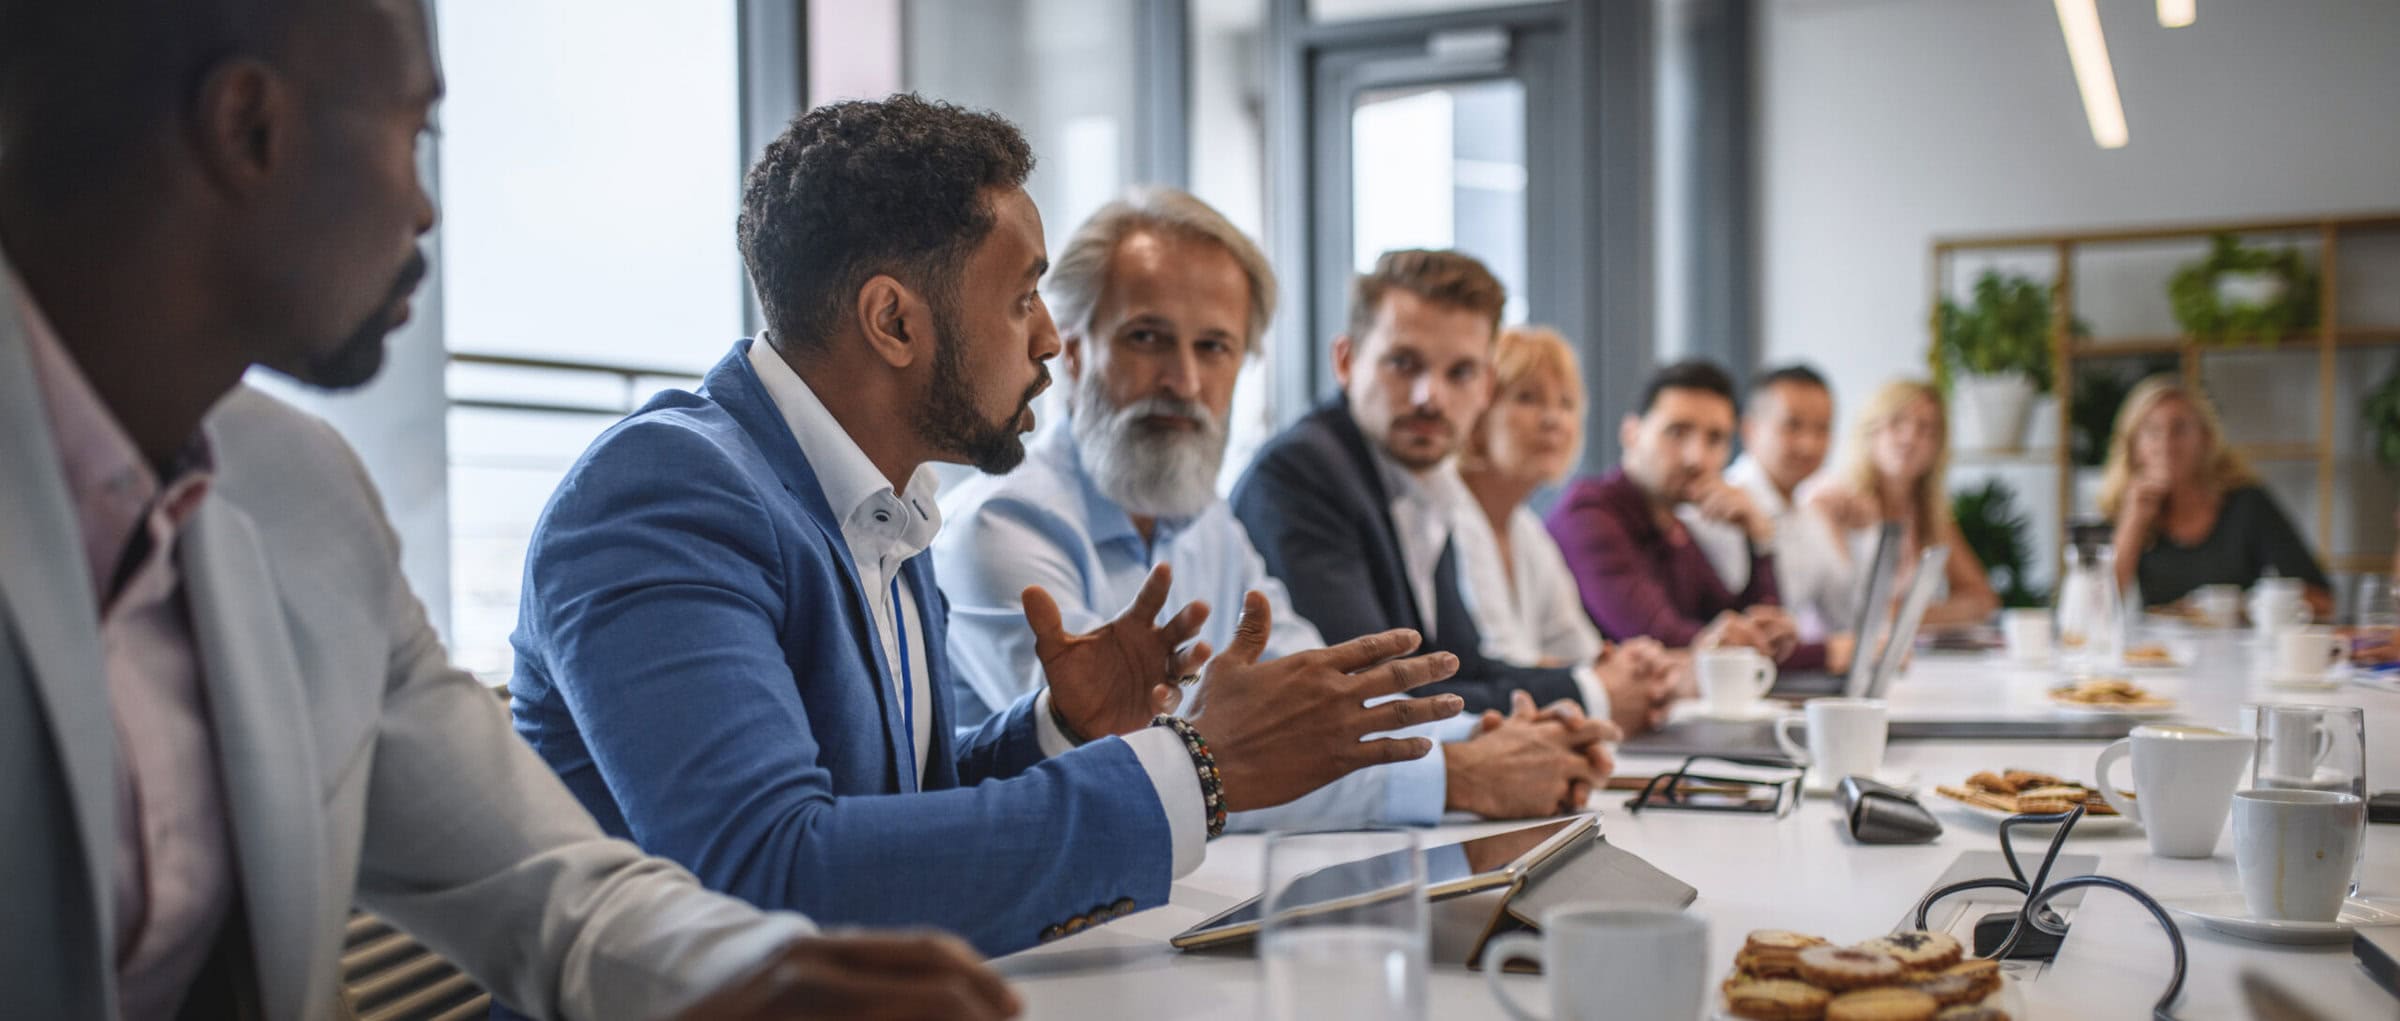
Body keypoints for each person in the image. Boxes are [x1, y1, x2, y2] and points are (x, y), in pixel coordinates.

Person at [0, 3, 1019, 1019]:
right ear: (248, 128)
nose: (426, 210)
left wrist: (740, 975)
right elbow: (763, 852)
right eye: (415, 134)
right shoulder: (675, 485)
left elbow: (551, 890)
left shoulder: (302, 493)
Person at [508, 97, 1466, 961]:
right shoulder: (665, 494)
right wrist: (1196, 768)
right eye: (1021, 299)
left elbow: (888, 809)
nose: (1051, 338)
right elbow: (770, 874)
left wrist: (1057, 729)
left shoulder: (884, 500)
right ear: (893, 320)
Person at [939, 190, 1612, 828]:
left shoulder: (1206, 520)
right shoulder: (1003, 525)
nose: (1185, 381)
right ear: (1077, 351)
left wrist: (1504, 736)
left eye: (1214, 346)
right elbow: (1127, 769)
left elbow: (1317, 698)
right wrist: (1456, 773)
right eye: (1147, 338)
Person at [1230, 250, 1681, 735]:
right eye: (1404, 364)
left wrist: (1594, 678)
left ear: (1486, 385)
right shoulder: (1302, 474)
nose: (1431, 396)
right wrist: (1593, 694)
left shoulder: (1427, 480)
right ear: (1346, 361)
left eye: (1460, 373)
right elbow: (1379, 696)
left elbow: (1458, 666)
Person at [1545, 360, 1811, 666]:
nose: (1696, 458)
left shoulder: (1675, 529)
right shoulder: (1588, 515)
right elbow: (1662, 637)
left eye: (1715, 439)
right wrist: (1827, 652)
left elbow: (1744, 631)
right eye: (1677, 432)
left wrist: (1758, 540)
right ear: (1631, 433)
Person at [2098, 376, 2332, 616]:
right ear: (2133, 446)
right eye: (2151, 430)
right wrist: (2132, 525)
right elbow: (2094, 612)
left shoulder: (2247, 504)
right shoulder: (2124, 510)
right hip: (2161, 652)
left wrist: (2240, 606)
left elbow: (2322, 599)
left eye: (2180, 428)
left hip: (2238, 650)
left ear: (2206, 439)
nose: (2166, 443)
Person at [1450, 326, 1610, 669]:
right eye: (1527, 398)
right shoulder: (1447, 515)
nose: (1553, 420)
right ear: (1477, 415)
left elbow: (1578, 646)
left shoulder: (1526, 530)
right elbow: (1498, 664)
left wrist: (1629, 665)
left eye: (1566, 403)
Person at [1684, 365, 1858, 670]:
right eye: (1792, 426)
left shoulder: (1810, 514)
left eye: (1822, 429)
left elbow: (1847, 616)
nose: (1809, 444)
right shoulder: (1716, 511)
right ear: (1750, 431)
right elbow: (1745, 634)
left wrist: (1854, 534)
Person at [1807, 379, 2000, 629]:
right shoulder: (1835, 502)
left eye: (1925, 428)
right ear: (1870, 432)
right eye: (1896, 423)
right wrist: (1923, 614)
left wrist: (1907, 615)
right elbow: (1854, 611)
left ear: (1937, 447)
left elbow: (1984, 600)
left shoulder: (1928, 514)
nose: (1909, 438)